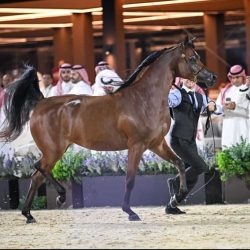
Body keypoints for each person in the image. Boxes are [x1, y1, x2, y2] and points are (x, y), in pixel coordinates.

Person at [166, 78, 217, 214]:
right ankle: (175, 182)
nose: (190, 80)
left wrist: (213, 104)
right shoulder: (176, 94)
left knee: (193, 175)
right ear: (182, 79)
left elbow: (215, 107)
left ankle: (172, 204)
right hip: (178, 138)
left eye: (193, 78)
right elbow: (168, 101)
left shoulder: (201, 96)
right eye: (187, 78)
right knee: (201, 166)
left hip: (190, 139)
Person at [215, 65, 249, 149]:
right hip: (229, 128)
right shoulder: (226, 91)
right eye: (232, 77)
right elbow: (217, 109)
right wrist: (222, 108)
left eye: (237, 77)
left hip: (245, 127)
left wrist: (235, 107)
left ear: (243, 76)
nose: (235, 80)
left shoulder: (248, 90)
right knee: (229, 151)